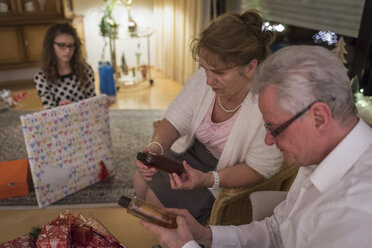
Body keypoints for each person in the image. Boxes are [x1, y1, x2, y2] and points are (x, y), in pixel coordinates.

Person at [141, 45, 372, 248]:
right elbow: (277, 229)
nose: (269, 141)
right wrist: (204, 235)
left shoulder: (357, 212)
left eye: (274, 129)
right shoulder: (318, 157)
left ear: (319, 117)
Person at [133, 10, 283, 224]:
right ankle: (171, 237)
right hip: (192, 154)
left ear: (250, 67)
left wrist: (207, 179)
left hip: (225, 172)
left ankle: (180, 239)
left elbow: (261, 168)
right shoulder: (204, 82)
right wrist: (156, 148)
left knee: (153, 200)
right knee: (140, 181)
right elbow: (173, 120)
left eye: (219, 73)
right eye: (205, 69)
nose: (208, 81)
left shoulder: (268, 105)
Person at [34, 23, 96, 109]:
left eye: (71, 46)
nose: (67, 51)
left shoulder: (85, 70)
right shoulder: (41, 77)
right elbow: (49, 110)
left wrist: (74, 107)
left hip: (85, 120)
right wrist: (61, 109)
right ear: (51, 46)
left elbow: (93, 103)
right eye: (61, 45)